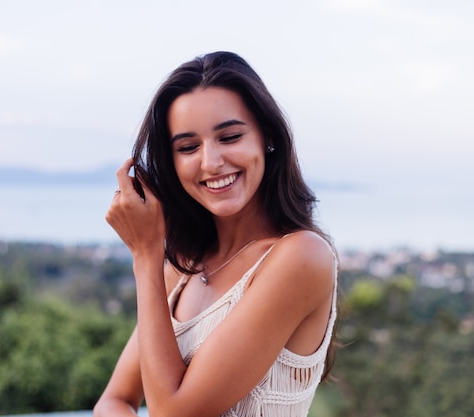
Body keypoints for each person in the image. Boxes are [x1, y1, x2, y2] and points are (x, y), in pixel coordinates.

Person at [94, 51, 338, 417]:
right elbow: (114, 401)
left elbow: (173, 412)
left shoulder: (301, 257)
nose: (210, 162)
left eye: (230, 136)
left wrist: (145, 253)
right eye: (188, 147)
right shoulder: (184, 266)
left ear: (267, 137)